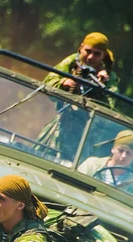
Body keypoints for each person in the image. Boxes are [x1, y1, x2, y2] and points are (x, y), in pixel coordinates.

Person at [37, 32, 120, 163]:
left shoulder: (108, 77)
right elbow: (46, 84)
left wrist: (101, 88)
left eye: (97, 54)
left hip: (85, 135)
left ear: (103, 55)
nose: (90, 57)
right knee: (37, 157)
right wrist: (64, 83)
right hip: (59, 127)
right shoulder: (70, 63)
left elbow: (109, 108)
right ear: (81, 47)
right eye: (88, 51)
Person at [77, 130, 133, 198]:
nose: (123, 156)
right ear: (113, 149)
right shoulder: (92, 165)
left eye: (128, 153)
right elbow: (75, 185)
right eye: (121, 150)